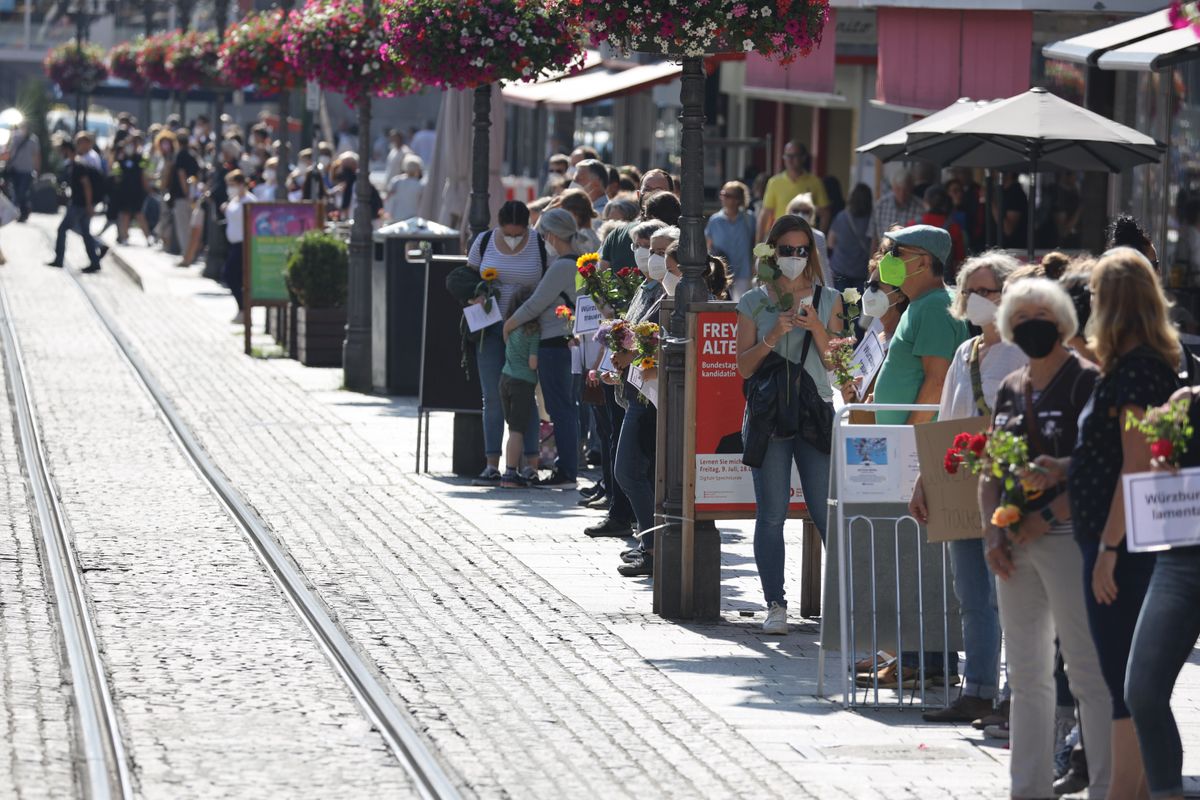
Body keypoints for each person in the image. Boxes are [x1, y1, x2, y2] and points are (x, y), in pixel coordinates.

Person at [981, 277, 1113, 800]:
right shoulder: (1011, 386)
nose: (1032, 325)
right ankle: (1028, 788)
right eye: (1021, 317)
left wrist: (1050, 513)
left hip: (1069, 537)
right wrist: (993, 531)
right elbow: (991, 466)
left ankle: (1106, 785)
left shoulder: (1087, 381)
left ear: (1062, 323)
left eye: (1042, 316)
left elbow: (1100, 464)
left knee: (1085, 670)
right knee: (1027, 674)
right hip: (1014, 545)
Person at [1063, 248, 1181, 800]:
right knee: (1126, 683)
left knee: (1123, 682)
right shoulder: (1142, 366)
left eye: (1094, 297)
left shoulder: (1136, 374)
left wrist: (1109, 547)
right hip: (1122, 538)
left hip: (1122, 544)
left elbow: (1137, 466)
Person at [909, 252, 1025, 724]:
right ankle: (977, 690)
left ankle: (1016, 695)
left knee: (1008, 597)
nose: (975, 299)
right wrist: (924, 479)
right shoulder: (965, 352)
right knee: (971, 595)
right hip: (960, 487)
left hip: (1005, 487)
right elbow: (946, 420)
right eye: (970, 291)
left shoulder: (1022, 352)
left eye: (985, 291)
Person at [735, 215, 843, 634]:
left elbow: (837, 365)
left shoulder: (829, 298)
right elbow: (744, 368)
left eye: (802, 250)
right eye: (786, 250)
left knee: (826, 512)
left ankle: (844, 603)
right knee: (772, 513)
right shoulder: (754, 301)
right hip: (770, 415)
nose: (794, 258)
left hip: (814, 411)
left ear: (811, 254)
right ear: (772, 252)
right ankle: (775, 604)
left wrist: (816, 326)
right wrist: (772, 336)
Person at [1125, 385, 1200, 800]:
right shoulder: (1186, 401)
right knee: (1142, 690)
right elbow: (1142, 467)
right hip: (1180, 558)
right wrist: (1157, 466)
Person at [602, 224, 672, 566]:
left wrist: (632, 356)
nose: (651, 257)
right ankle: (651, 544)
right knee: (637, 472)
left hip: (652, 397)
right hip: (637, 391)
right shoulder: (651, 289)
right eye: (647, 249)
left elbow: (666, 345)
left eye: (660, 251)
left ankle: (654, 546)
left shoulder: (675, 293)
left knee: (629, 471)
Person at [467, 201, 545, 486]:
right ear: (498, 225)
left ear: (527, 227)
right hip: (490, 327)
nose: (512, 238)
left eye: (518, 234)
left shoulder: (538, 243)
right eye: (508, 233)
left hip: (526, 330)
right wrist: (474, 294)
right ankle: (492, 464)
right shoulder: (484, 241)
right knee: (492, 396)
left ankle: (530, 464)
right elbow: (468, 276)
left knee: (526, 395)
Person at [503, 208, 580, 487]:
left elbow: (535, 303)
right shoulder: (577, 262)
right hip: (566, 343)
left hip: (554, 344)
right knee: (566, 408)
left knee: (560, 409)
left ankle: (567, 471)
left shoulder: (561, 266)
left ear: (551, 235)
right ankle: (567, 468)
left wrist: (509, 324)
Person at [873, 225, 969, 425]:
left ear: (923, 262)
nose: (890, 258)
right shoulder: (924, 303)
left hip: (915, 439)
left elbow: (937, 382)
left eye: (897, 252)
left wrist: (908, 433)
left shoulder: (933, 306)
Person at [497, 285, 541, 488]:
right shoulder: (533, 332)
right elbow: (532, 363)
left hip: (505, 379)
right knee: (517, 430)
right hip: (522, 383)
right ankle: (510, 474)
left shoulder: (511, 328)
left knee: (512, 427)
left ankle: (512, 470)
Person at [758, 139, 830, 239]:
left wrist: (819, 237)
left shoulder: (815, 182)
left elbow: (825, 213)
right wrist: (759, 241)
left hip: (805, 238)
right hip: (780, 236)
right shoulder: (774, 182)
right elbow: (766, 213)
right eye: (787, 156)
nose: (790, 159)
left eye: (794, 156)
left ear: (803, 157)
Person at [706, 181, 756, 299]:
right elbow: (708, 245)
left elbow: (755, 243)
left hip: (744, 272)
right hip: (721, 273)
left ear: (738, 199)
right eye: (722, 194)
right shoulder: (714, 220)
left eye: (727, 195)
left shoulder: (749, 218)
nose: (723, 198)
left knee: (743, 304)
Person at [157, 130, 199, 259]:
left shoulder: (180, 155)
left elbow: (182, 175)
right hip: (192, 195)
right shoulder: (192, 154)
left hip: (183, 197)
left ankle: (186, 254)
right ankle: (190, 253)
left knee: (183, 228)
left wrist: (186, 193)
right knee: (190, 226)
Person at [827, 183, 872, 293]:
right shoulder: (871, 220)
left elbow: (830, 242)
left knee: (840, 301)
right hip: (861, 271)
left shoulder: (841, 216)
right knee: (857, 302)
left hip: (840, 268)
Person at [111, 133, 152, 245]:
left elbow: (144, 174)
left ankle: (148, 238)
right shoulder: (120, 159)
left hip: (137, 191)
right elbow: (116, 175)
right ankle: (124, 238)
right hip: (124, 192)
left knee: (139, 214)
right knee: (125, 215)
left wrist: (147, 188)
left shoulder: (140, 158)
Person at [868, 171, 924, 252]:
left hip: (909, 255)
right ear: (893, 188)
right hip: (885, 254)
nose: (902, 194)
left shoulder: (920, 207)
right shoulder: (881, 205)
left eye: (906, 190)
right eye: (898, 189)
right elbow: (874, 237)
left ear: (911, 188)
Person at [221, 170, 249, 324]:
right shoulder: (234, 201)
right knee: (233, 277)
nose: (230, 188)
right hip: (233, 243)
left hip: (244, 245)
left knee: (230, 274)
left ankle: (244, 309)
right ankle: (242, 309)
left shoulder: (249, 201)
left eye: (233, 184)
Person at [920, 184, 966, 275]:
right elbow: (959, 262)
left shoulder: (912, 225)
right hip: (945, 279)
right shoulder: (954, 228)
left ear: (925, 203)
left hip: (919, 279)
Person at [4, 120, 40, 222]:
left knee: (22, 192)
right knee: (15, 192)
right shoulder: (15, 137)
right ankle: (22, 212)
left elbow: (37, 155)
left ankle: (22, 212)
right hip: (15, 169)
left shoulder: (33, 140)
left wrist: (37, 169)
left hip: (27, 170)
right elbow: (9, 152)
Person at [995, 172, 1029, 252]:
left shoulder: (1015, 194)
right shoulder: (1002, 192)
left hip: (1013, 251)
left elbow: (1008, 230)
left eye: (996, 171)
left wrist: (992, 203)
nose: (994, 174)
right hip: (1002, 249)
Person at [385, 155, 424, 222]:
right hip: (413, 218)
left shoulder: (396, 181)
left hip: (396, 217)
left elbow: (388, 198)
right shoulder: (420, 185)